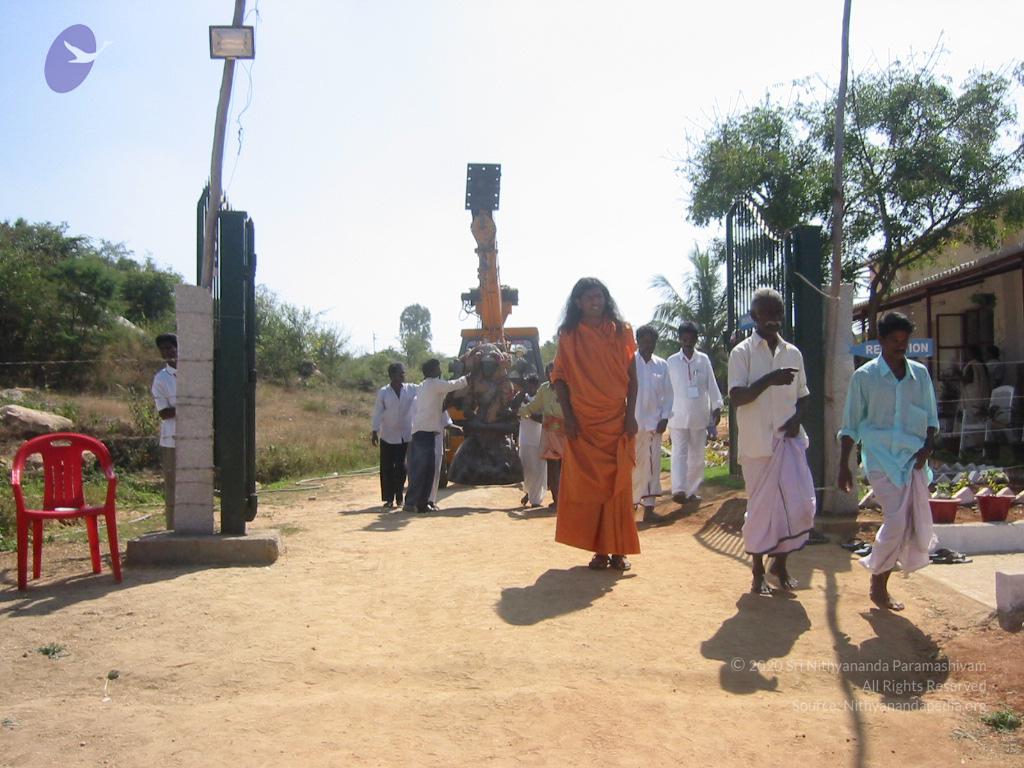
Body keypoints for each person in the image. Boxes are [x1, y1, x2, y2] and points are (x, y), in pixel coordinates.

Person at [838, 311, 939, 611]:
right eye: (894, 340)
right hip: (880, 460)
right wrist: (845, 465)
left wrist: (927, 449)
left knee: (908, 524)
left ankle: (880, 580)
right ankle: (878, 581)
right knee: (896, 520)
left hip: (912, 462)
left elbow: (932, 420)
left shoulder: (919, 375)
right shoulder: (864, 377)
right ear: (880, 340)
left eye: (904, 341)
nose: (900, 346)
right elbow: (850, 426)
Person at [728, 288, 816, 595]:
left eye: (778, 314)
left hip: (788, 442)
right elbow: (738, 397)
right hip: (757, 446)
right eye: (766, 314)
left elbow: (804, 397)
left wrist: (796, 419)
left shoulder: (793, 353)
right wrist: (770, 380)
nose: (773, 321)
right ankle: (756, 572)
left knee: (799, 506)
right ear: (754, 317)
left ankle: (779, 563)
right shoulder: (742, 353)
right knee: (762, 510)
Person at [550, 277, 639, 571]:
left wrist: (630, 415)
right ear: (578, 302)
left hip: (616, 421)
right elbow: (560, 379)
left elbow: (633, 377)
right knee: (591, 491)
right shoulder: (569, 335)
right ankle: (600, 551)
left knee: (619, 488)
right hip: (584, 424)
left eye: (599, 295)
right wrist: (569, 417)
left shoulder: (622, 331)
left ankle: (619, 551)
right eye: (589, 297)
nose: (595, 301)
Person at [666, 321, 722, 505]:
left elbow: (712, 384)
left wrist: (717, 406)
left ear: (696, 339)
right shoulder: (672, 361)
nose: (687, 342)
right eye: (684, 339)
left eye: (691, 339)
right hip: (678, 415)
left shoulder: (703, 359)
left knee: (697, 456)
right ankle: (679, 490)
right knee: (679, 453)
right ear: (680, 339)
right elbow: (666, 389)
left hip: (699, 415)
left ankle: (691, 491)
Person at [404, 359, 469, 513]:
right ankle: (411, 502)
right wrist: (469, 377)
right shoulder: (433, 384)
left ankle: (422, 503)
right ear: (433, 370)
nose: (440, 370)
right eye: (438, 368)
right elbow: (454, 385)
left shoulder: (426, 386)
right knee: (422, 470)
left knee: (428, 470)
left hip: (427, 434)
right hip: (424, 434)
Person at [632, 325, 673, 522]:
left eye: (652, 341)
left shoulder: (662, 365)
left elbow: (668, 394)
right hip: (632, 424)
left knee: (652, 465)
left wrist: (665, 417)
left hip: (654, 424)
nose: (648, 345)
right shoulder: (629, 362)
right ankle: (629, 505)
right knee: (633, 465)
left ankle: (648, 509)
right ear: (637, 341)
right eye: (645, 341)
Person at [370, 362, 417, 510]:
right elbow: (377, 412)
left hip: (405, 434)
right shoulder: (384, 392)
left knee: (402, 467)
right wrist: (374, 431)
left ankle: (399, 496)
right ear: (392, 375)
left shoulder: (411, 389)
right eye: (401, 373)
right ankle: (388, 498)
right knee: (387, 467)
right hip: (388, 435)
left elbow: (426, 389)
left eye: (404, 373)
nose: (403, 375)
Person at [520, 362, 565, 507]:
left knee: (564, 468)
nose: (552, 375)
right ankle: (557, 500)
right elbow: (534, 407)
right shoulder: (544, 389)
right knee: (552, 468)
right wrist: (521, 411)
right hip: (549, 434)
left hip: (564, 433)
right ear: (546, 374)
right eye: (549, 372)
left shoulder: (566, 388)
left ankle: (564, 500)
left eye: (554, 372)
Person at [151, 333, 177, 530]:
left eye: (170, 348)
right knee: (172, 485)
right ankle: (173, 526)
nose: (168, 352)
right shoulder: (161, 379)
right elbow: (165, 413)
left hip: (196, 438)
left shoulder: (195, 373)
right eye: (164, 350)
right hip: (172, 438)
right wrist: (191, 407)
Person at [513, 374, 547, 508]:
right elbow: (513, 407)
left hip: (539, 439)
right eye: (527, 385)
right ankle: (529, 493)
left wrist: (528, 411)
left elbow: (541, 418)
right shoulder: (522, 397)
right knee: (527, 469)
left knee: (539, 470)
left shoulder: (540, 399)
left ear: (536, 386)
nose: (529, 388)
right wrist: (522, 393)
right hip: (525, 440)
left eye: (531, 386)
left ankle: (536, 500)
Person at [959, 345, 990, 451]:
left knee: (971, 420)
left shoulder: (972, 365)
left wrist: (957, 374)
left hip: (972, 398)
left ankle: (973, 446)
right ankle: (980, 444)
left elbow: (967, 379)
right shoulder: (981, 365)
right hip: (980, 396)